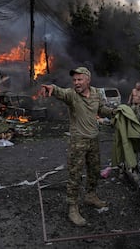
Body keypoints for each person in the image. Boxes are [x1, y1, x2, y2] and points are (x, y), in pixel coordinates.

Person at [38, 66, 114, 226]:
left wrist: (115, 112)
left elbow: (101, 109)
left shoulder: (96, 94)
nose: (76, 83)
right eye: (74, 80)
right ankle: (73, 207)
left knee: (94, 170)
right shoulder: (71, 95)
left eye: (80, 79)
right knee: (75, 174)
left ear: (88, 80)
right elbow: (60, 91)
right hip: (78, 141)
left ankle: (91, 195)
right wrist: (50, 88)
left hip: (93, 139)